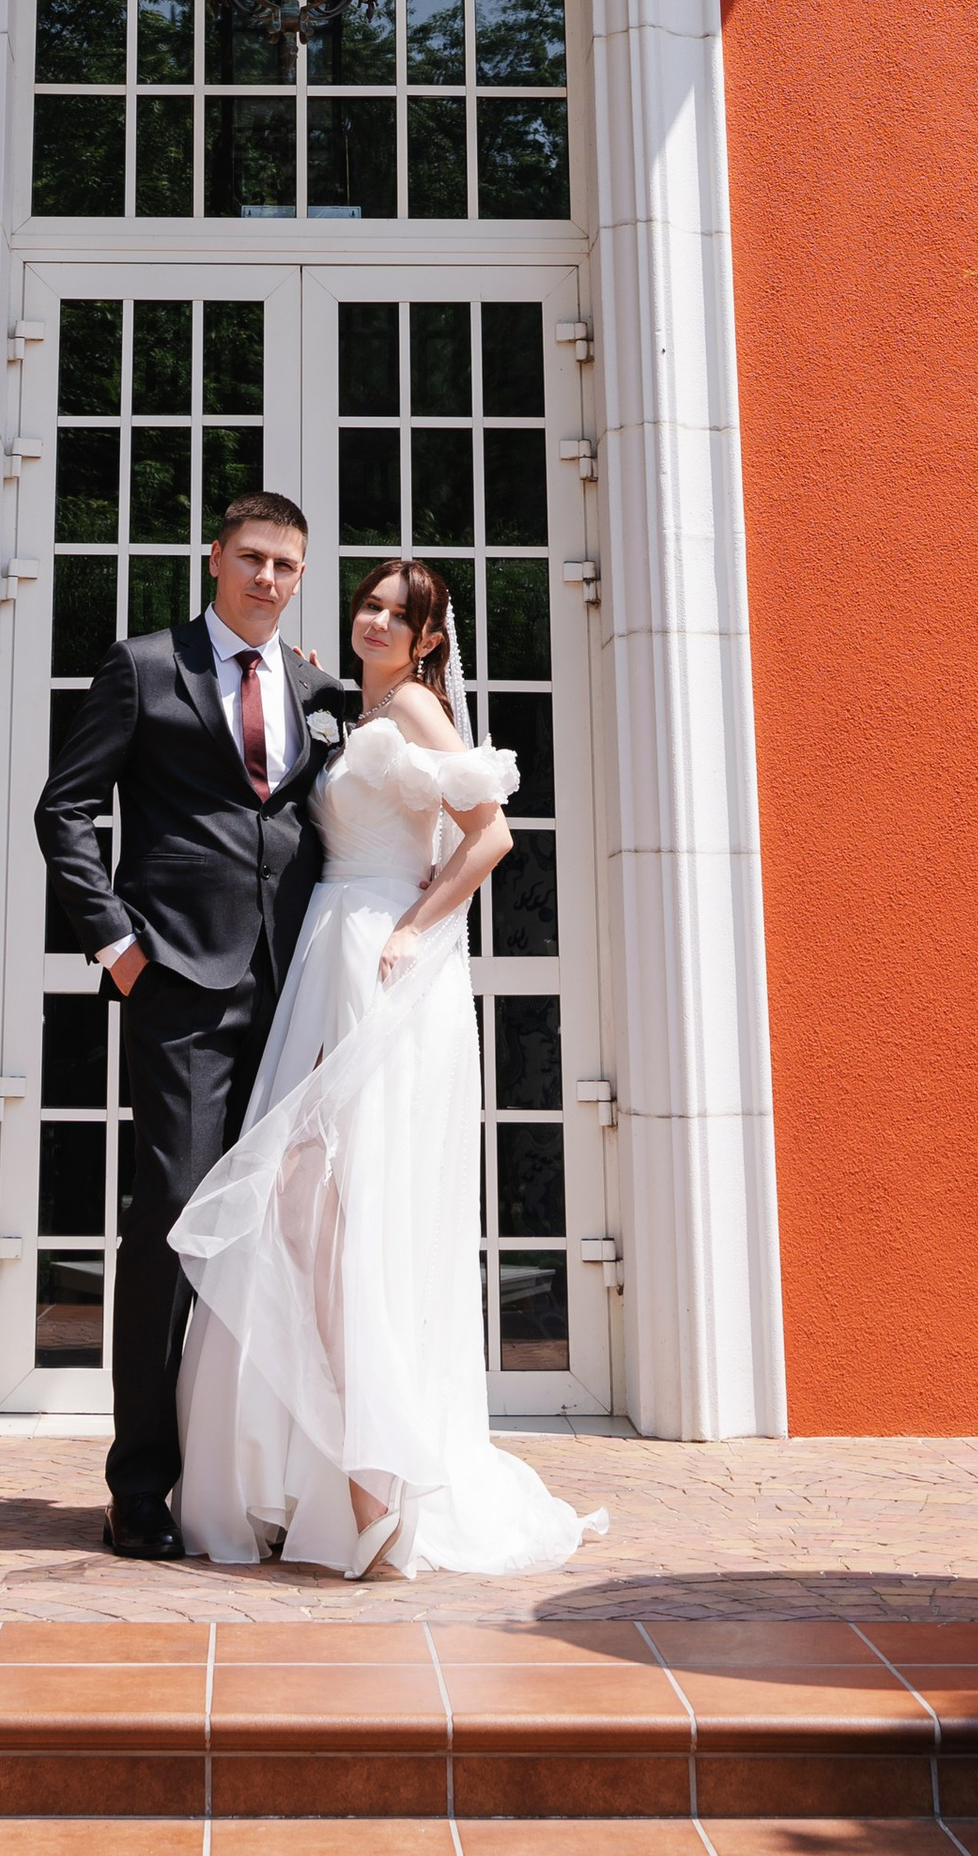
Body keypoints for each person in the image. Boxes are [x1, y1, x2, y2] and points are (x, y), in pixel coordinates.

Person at [170, 558, 603, 1578]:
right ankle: (339, 1463)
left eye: (395, 615)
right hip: (332, 945)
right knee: (310, 1202)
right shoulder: (360, 706)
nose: (374, 621)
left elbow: (490, 836)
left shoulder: (413, 707)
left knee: (333, 1200)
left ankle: (373, 1474)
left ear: (427, 640)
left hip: (378, 951)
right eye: (368, 603)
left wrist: (411, 926)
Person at [34, 491, 359, 1562]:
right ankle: (139, 1484)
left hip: (293, 986)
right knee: (172, 1215)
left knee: (288, 1229)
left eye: (286, 564)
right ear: (215, 557)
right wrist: (116, 945)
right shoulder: (143, 666)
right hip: (179, 984)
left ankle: (259, 1476)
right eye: (252, 556)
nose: (267, 576)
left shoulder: (315, 688)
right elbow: (64, 808)